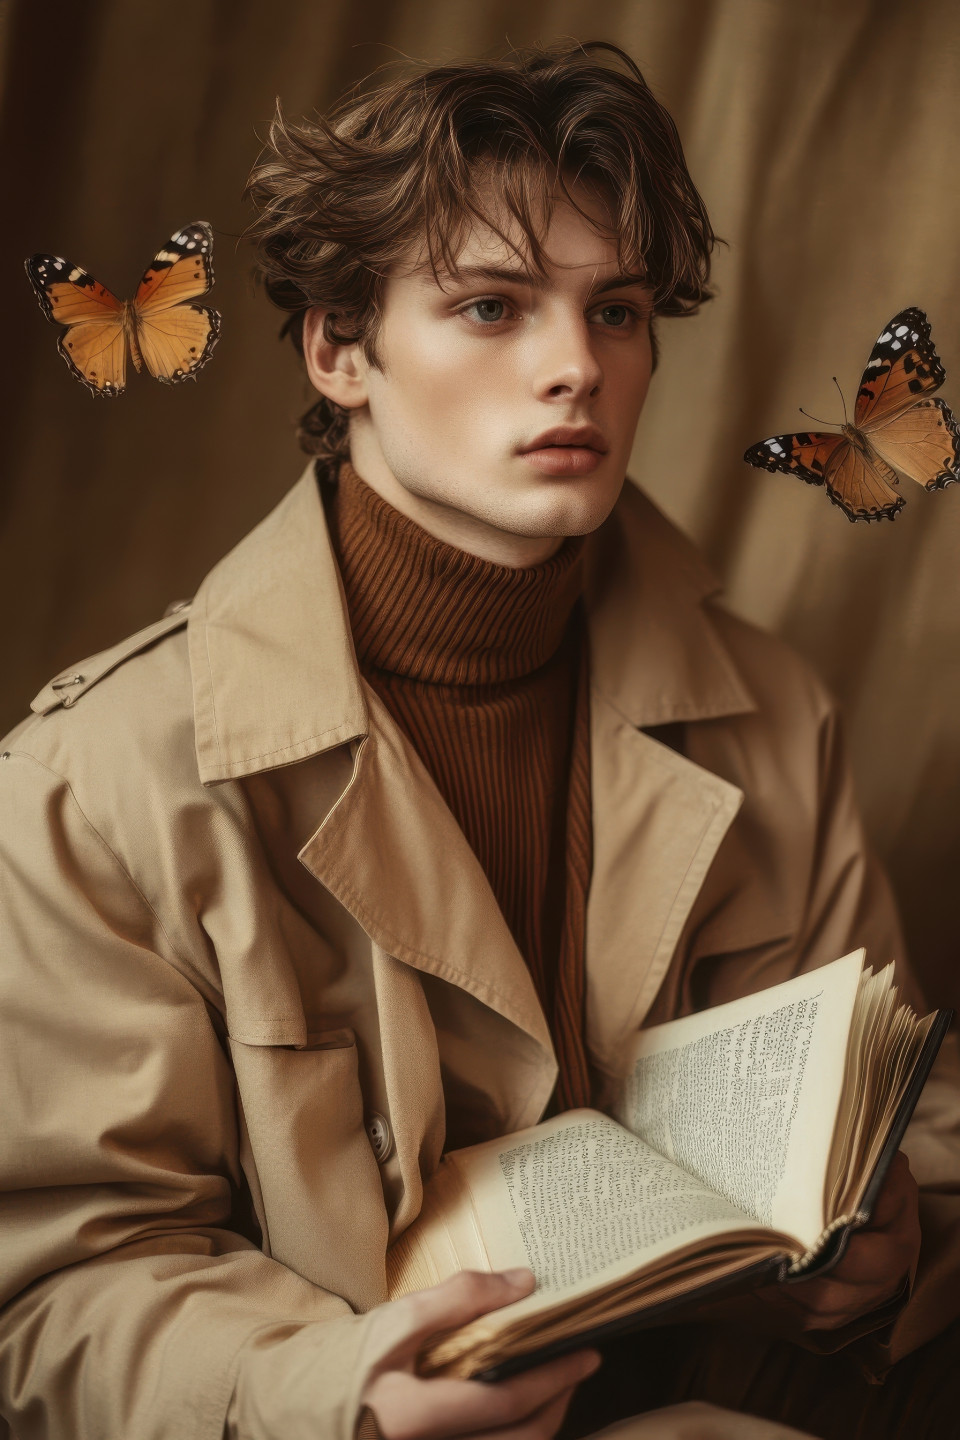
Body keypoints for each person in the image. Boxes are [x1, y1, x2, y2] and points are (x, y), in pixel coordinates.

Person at [1, 41, 958, 1440]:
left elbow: (900, 1112)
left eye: (617, 310)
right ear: (341, 349)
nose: (575, 366)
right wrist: (341, 1400)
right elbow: (56, 1287)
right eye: (493, 306)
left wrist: (889, 1255)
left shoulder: (773, 711)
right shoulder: (93, 786)